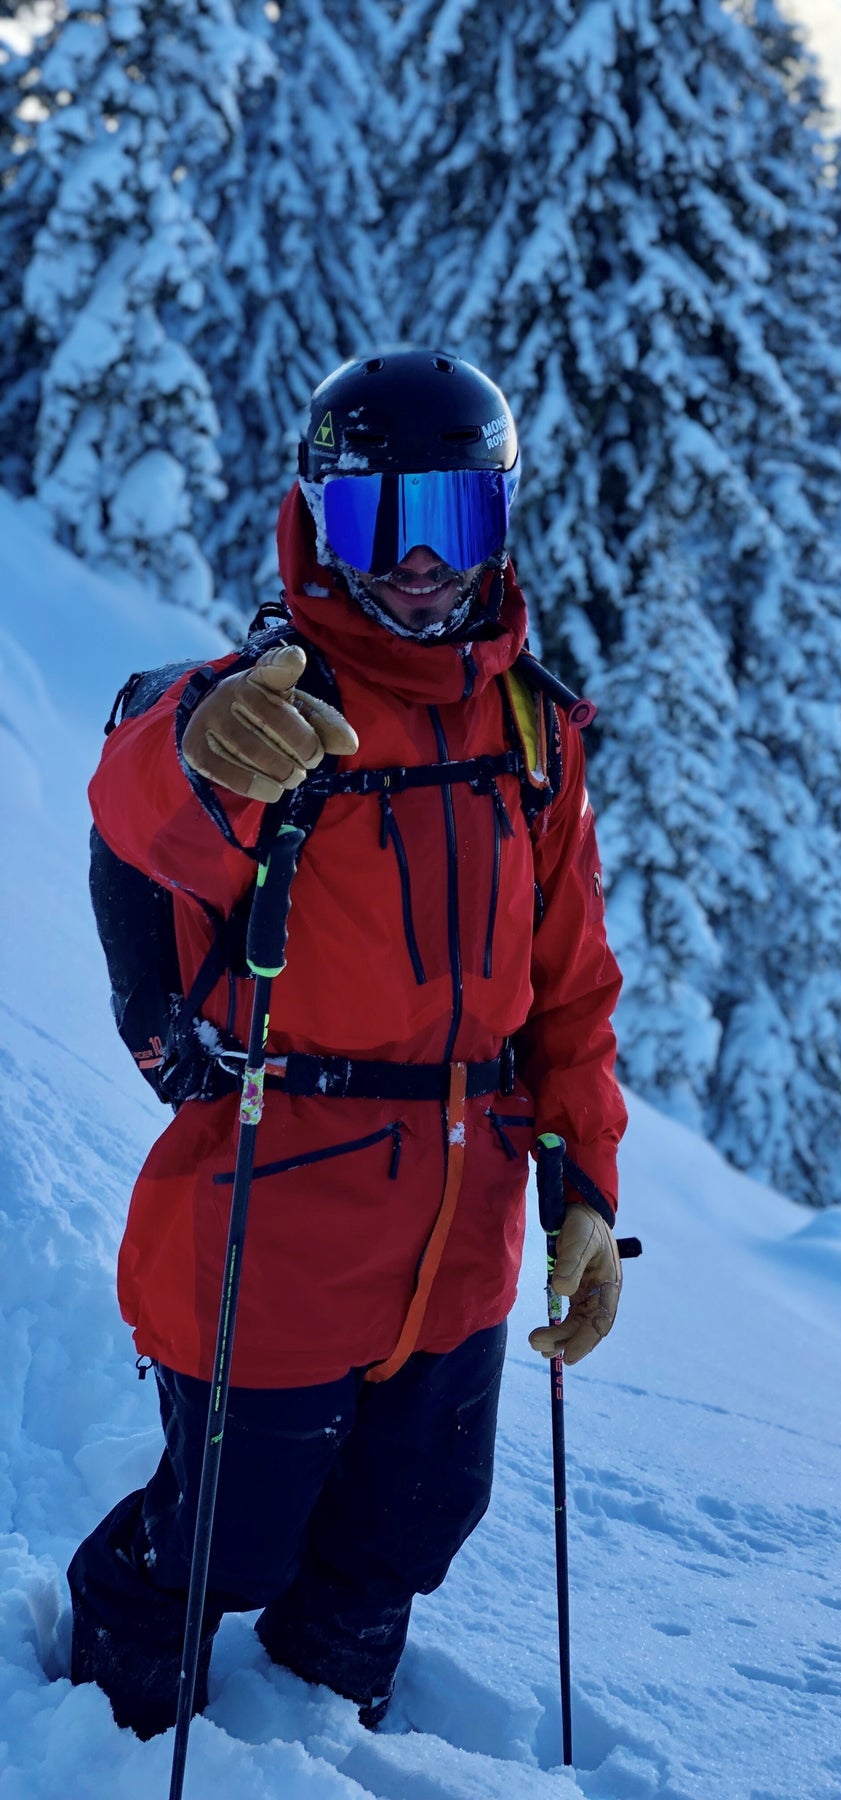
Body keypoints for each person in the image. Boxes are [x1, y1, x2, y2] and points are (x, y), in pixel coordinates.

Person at [68, 347, 627, 1738]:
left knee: (412, 1529)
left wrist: (588, 1194)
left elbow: (570, 994)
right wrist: (204, 741)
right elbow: (145, 805)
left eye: (460, 519)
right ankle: (115, 1727)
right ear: (322, 523)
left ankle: (324, 1733)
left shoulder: (531, 736)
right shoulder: (275, 703)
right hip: (280, 1206)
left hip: (466, 1219)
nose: (426, 563)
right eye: (384, 522)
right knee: (229, 1536)